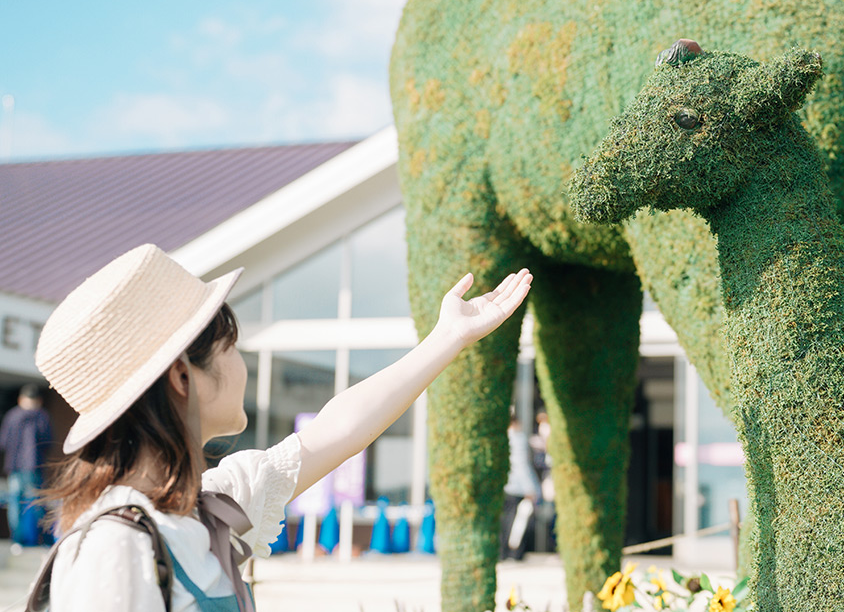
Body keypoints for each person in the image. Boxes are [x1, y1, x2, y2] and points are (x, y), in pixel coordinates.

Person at [28, 244, 531, 611]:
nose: (242, 363)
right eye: (232, 345)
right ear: (184, 376)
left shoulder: (208, 506)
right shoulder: (114, 548)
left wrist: (447, 338)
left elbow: (339, 430)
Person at [0, 384, 52, 548]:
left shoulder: (12, 416)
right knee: (35, 504)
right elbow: (48, 441)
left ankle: (18, 540)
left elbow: (4, 442)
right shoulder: (42, 416)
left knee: (15, 503)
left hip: (15, 466)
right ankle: (35, 540)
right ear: (39, 400)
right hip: (35, 467)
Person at [500, 412, 541, 561]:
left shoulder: (502, 438)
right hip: (517, 487)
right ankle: (514, 552)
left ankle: (504, 551)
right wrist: (531, 488)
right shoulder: (517, 438)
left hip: (506, 486)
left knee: (506, 520)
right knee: (517, 522)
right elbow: (522, 465)